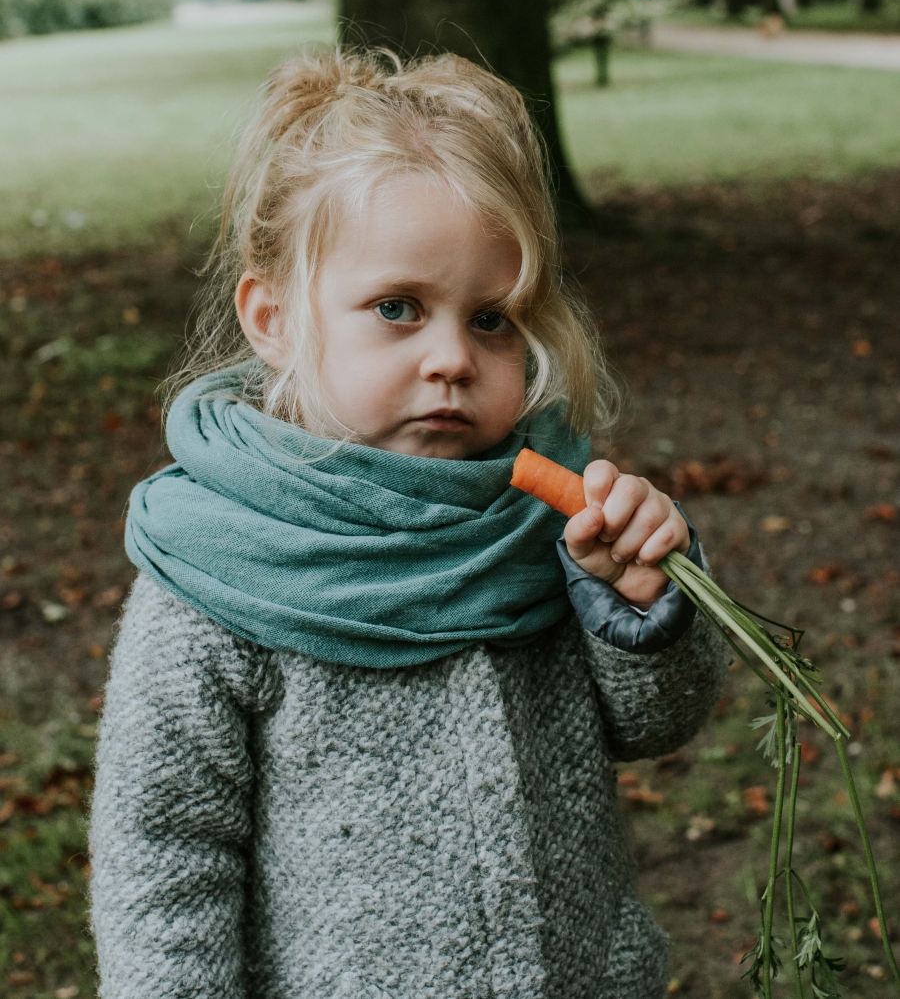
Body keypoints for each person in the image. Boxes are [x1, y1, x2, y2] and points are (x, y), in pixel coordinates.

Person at [90, 51, 723, 998]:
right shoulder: (219, 572)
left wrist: (638, 602)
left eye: (493, 319)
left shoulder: (547, 522)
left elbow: (659, 724)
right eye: (397, 308)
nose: (451, 359)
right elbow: (162, 860)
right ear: (274, 318)